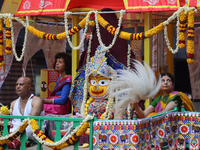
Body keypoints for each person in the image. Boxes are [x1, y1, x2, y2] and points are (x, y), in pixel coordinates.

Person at [132, 72, 196, 118]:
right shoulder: (158, 99)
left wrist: (150, 116)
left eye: (168, 80)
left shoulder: (176, 96)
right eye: (162, 81)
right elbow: (143, 114)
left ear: (173, 85)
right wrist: (136, 105)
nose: (165, 82)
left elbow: (164, 113)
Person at [9, 76, 44, 149]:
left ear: (29, 87)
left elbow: (31, 121)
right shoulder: (13, 103)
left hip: (32, 137)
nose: (18, 87)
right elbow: (12, 122)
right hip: (13, 136)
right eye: (17, 84)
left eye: (21, 84)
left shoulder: (37, 101)